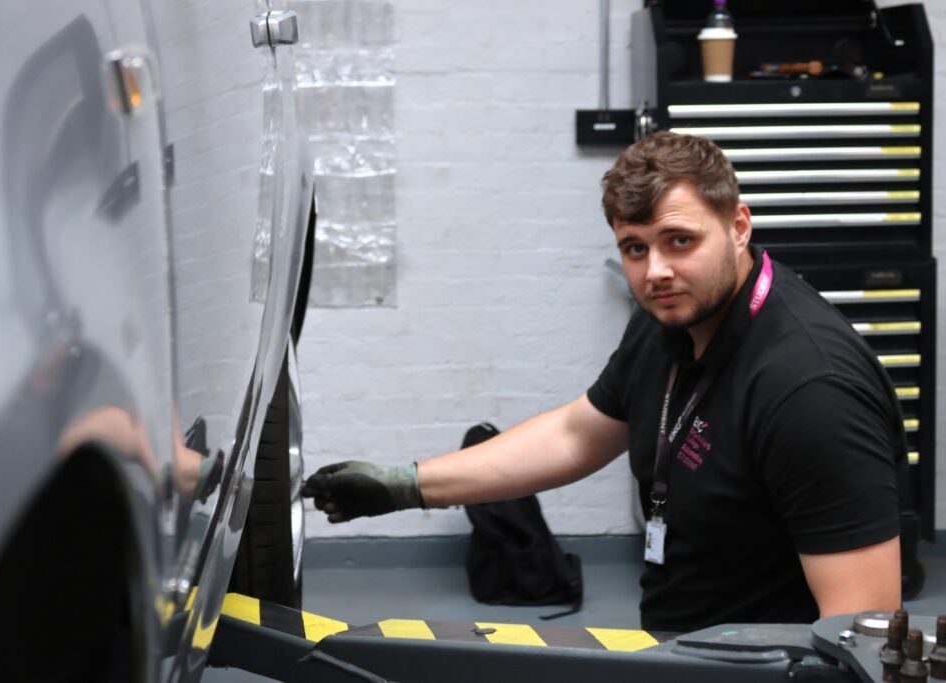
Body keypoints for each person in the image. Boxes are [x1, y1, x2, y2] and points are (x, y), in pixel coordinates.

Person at [302, 131, 906, 633]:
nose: (657, 271)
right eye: (634, 248)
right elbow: (577, 433)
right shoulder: (669, 318)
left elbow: (863, 629)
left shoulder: (809, 391)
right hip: (677, 648)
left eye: (680, 241)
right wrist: (406, 485)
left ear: (739, 226)